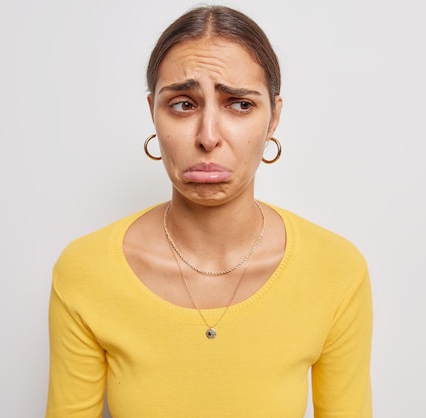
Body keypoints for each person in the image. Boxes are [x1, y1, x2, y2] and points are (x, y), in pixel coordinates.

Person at [45, 5, 372, 418]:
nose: (208, 136)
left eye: (239, 104)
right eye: (183, 104)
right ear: (153, 112)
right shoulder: (86, 271)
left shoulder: (335, 270)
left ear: (274, 117)